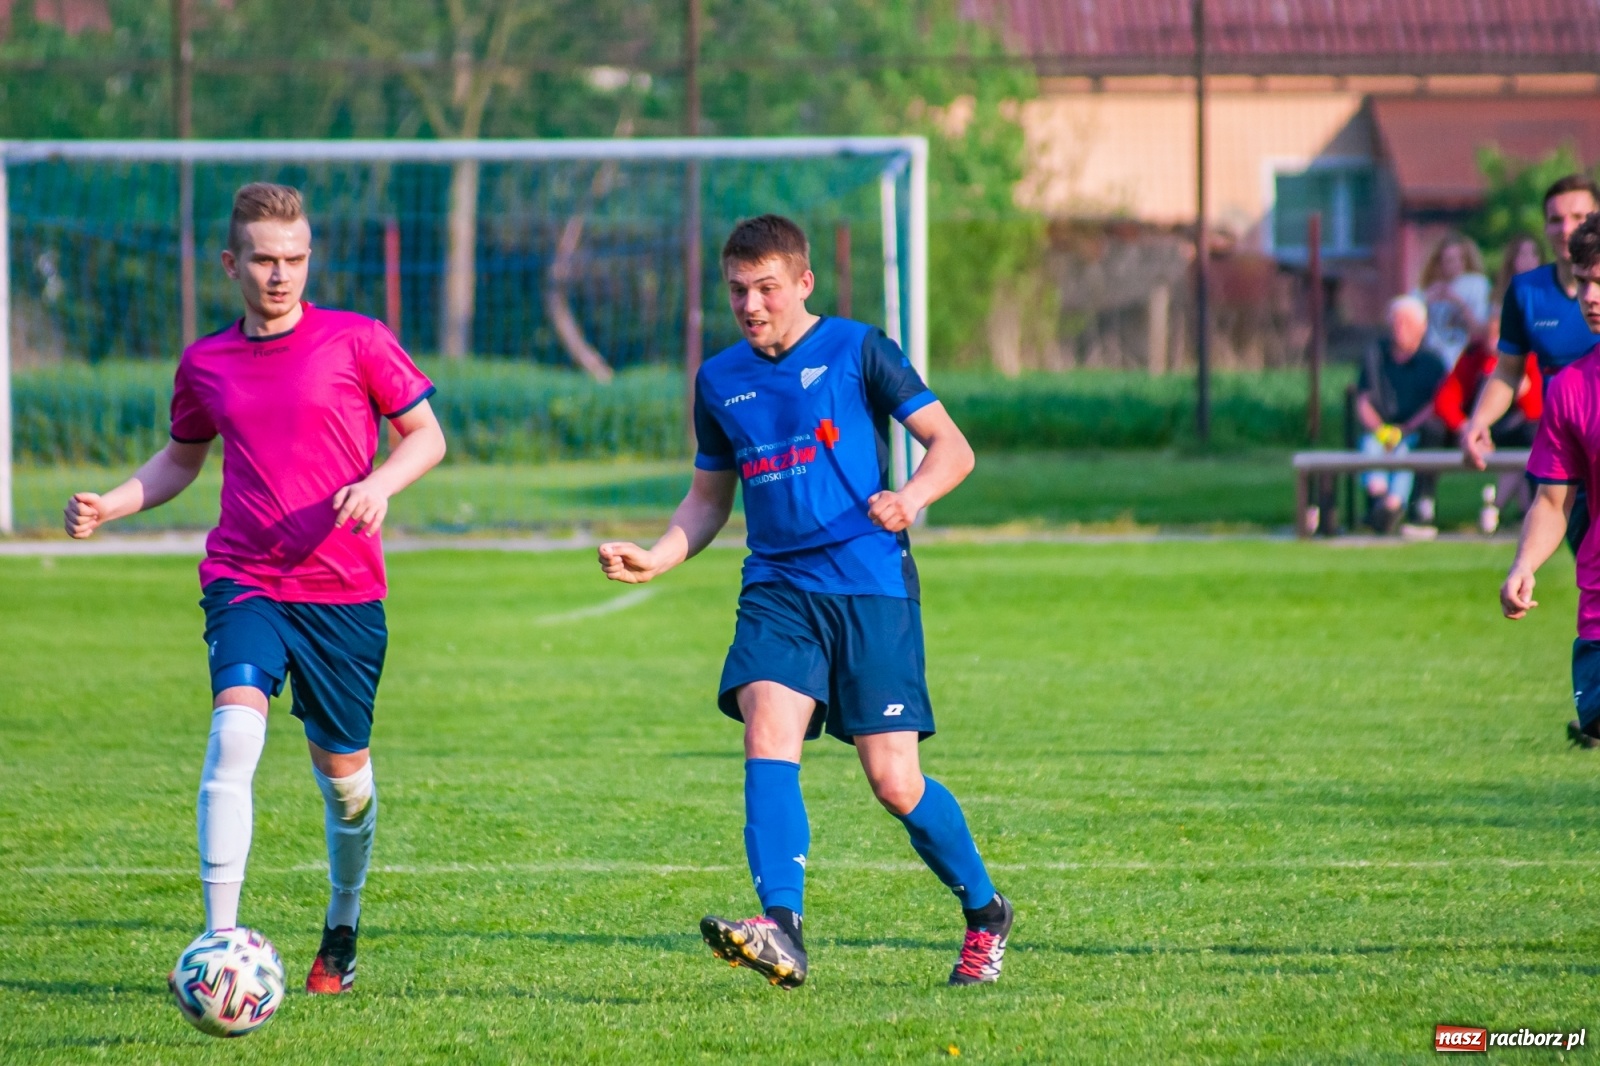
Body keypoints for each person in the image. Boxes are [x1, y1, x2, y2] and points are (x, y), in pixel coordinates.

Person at [596, 215, 1010, 988]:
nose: (751, 305)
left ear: (804, 283)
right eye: (737, 291)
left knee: (894, 781)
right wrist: (659, 555)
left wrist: (911, 497)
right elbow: (708, 500)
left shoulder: (859, 349)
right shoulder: (718, 380)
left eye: (766, 288)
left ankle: (985, 913)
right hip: (778, 589)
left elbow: (952, 447)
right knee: (767, 731)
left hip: (870, 585)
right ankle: (781, 928)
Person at [62, 183, 446, 994]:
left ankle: (341, 925)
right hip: (245, 578)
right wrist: (112, 503)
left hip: (342, 593)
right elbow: (181, 458)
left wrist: (380, 485)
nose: (281, 274)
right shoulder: (205, 362)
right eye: (265, 260)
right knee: (234, 735)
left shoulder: (357, 340)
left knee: (346, 787)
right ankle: (218, 945)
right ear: (230, 263)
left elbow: (426, 436)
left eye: (295, 259)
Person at [1500, 212, 1600, 747]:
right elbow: (1553, 502)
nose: (1591, 297)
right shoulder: (1569, 388)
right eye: (1584, 282)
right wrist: (1524, 564)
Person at [1463, 174, 1600, 555]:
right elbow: (1508, 371)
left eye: (1578, 217)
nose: (1567, 229)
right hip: (1569, 454)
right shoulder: (1526, 292)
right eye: (1556, 219)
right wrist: (1479, 421)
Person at [1434, 318, 1542, 523]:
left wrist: (1521, 390)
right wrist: (1466, 427)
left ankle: (1508, 507)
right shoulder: (1474, 358)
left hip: (1517, 432)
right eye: (1491, 337)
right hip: (1481, 430)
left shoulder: (1529, 358)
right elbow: (1445, 399)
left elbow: (1535, 412)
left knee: (1532, 439)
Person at [1356, 295, 1448, 532]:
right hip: (1380, 429)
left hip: (1414, 431)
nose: (1400, 328)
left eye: (1406, 322)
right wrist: (1380, 430)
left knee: (1405, 452)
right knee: (1371, 446)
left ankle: (1391, 507)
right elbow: (1364, 400)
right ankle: (1383, 503)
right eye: (1396, 321)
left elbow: (1435, 405)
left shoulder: (1432, 362)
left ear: (1421, 327)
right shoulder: (1375, 355)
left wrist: (1406, 429)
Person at [1416, 233, 1491, 370]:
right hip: (1433, 360)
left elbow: (1481, 331)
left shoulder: (1477, 284)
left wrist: (1458, 302)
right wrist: (1424, 304)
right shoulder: (1427, 289)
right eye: (1449, 260)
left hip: (1465, 359)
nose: (1455, 265)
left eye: (1460, 259)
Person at [1495, 233, 1545, 306]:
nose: (1529, 260)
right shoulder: (1501, 294)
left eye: (1534, 254)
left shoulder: (1548, 292)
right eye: (1523, 254)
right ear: (1512, 259)